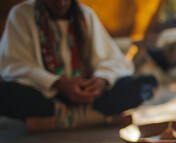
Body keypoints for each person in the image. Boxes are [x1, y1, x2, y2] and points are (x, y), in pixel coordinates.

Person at [0, 0, 159, 132]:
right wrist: (59, 84)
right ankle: (93, 116)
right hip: (47, 96)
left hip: (89, 95)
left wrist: (102, 80)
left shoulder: (85, 14)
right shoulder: (21, 14)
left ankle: (60, 118)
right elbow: (13, 64)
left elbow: (115, 60)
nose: (61, 3)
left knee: (146, 83)